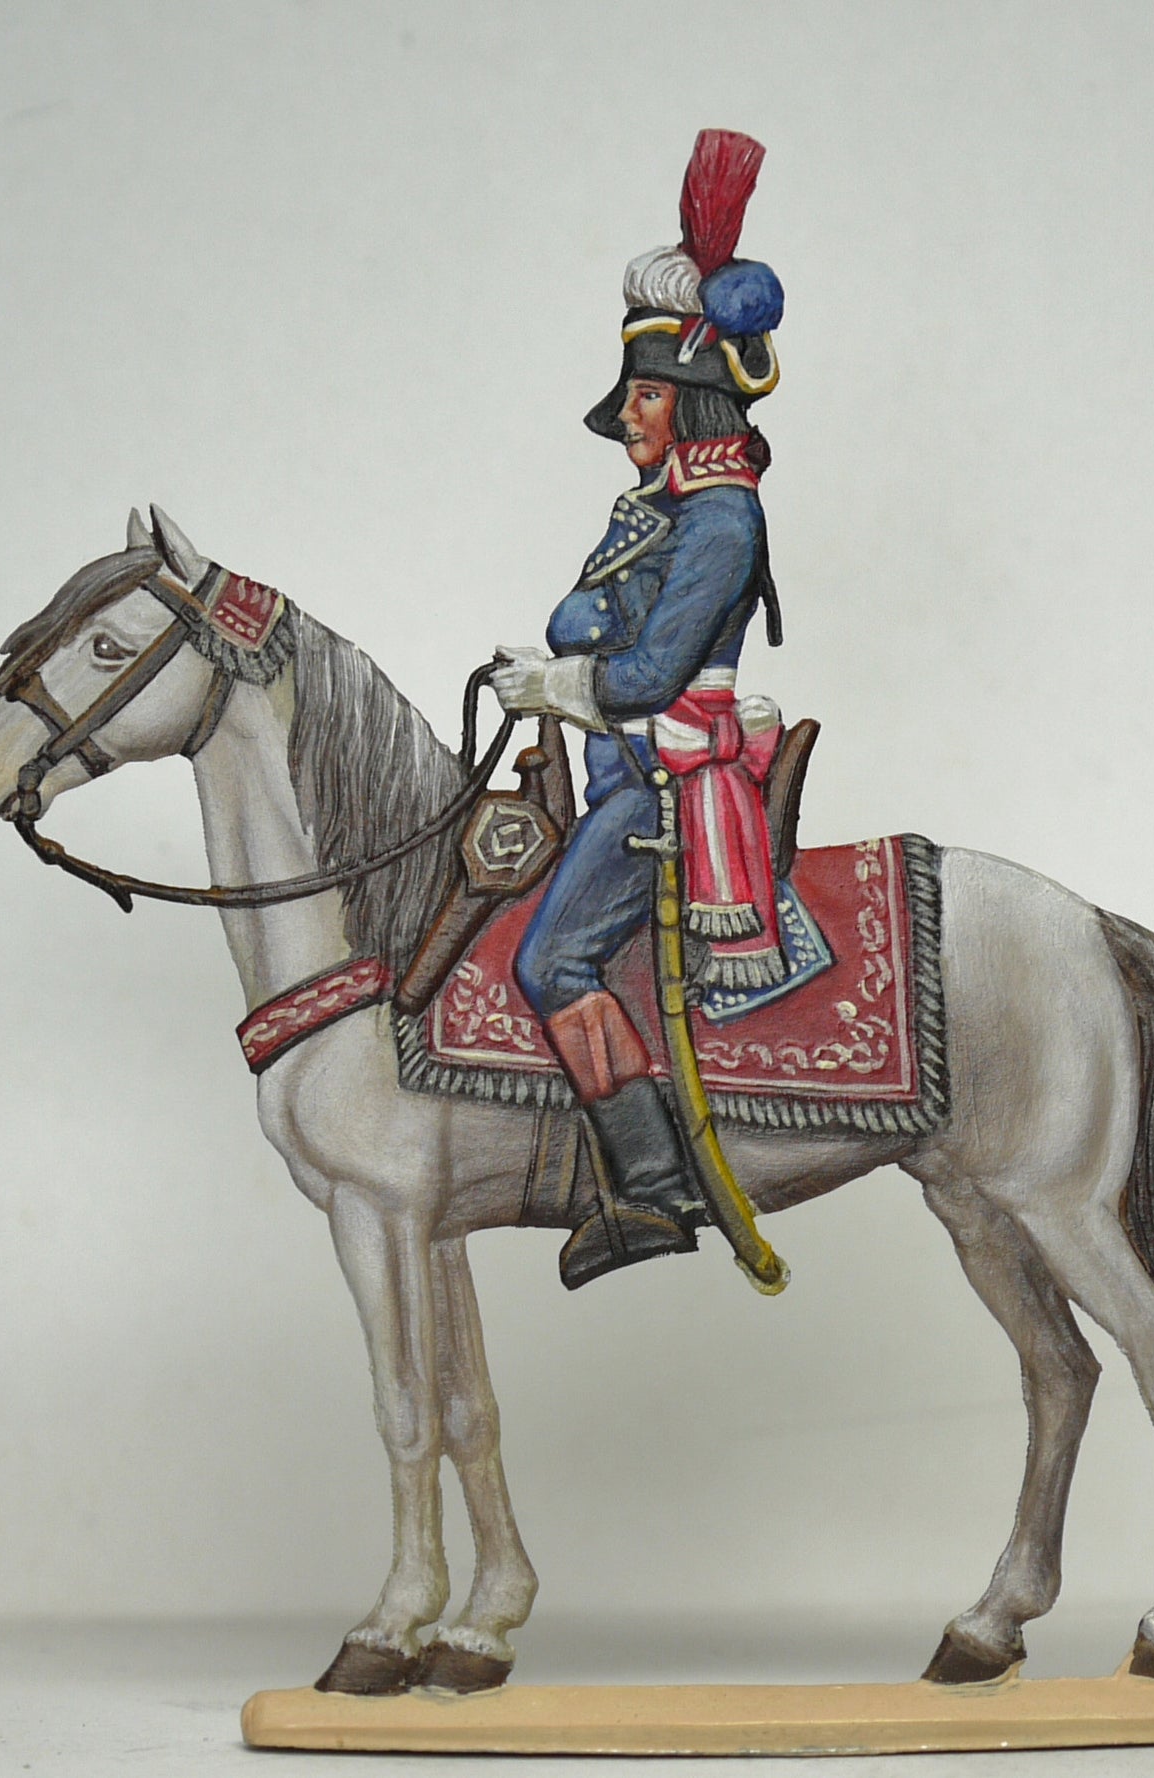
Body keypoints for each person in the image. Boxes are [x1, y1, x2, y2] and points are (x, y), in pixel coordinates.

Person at [492, 130, 786, 1289]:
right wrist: (564, 656)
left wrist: (560, 680)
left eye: (646, 395)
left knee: (550, 960)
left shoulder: (717, 518)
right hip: (623, 764)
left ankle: (654, 1186)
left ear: (694, 401)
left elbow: (648, 670)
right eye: (630, 396)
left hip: (665, 779)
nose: (627, 417)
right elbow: (581, 614)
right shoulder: (654, 510)